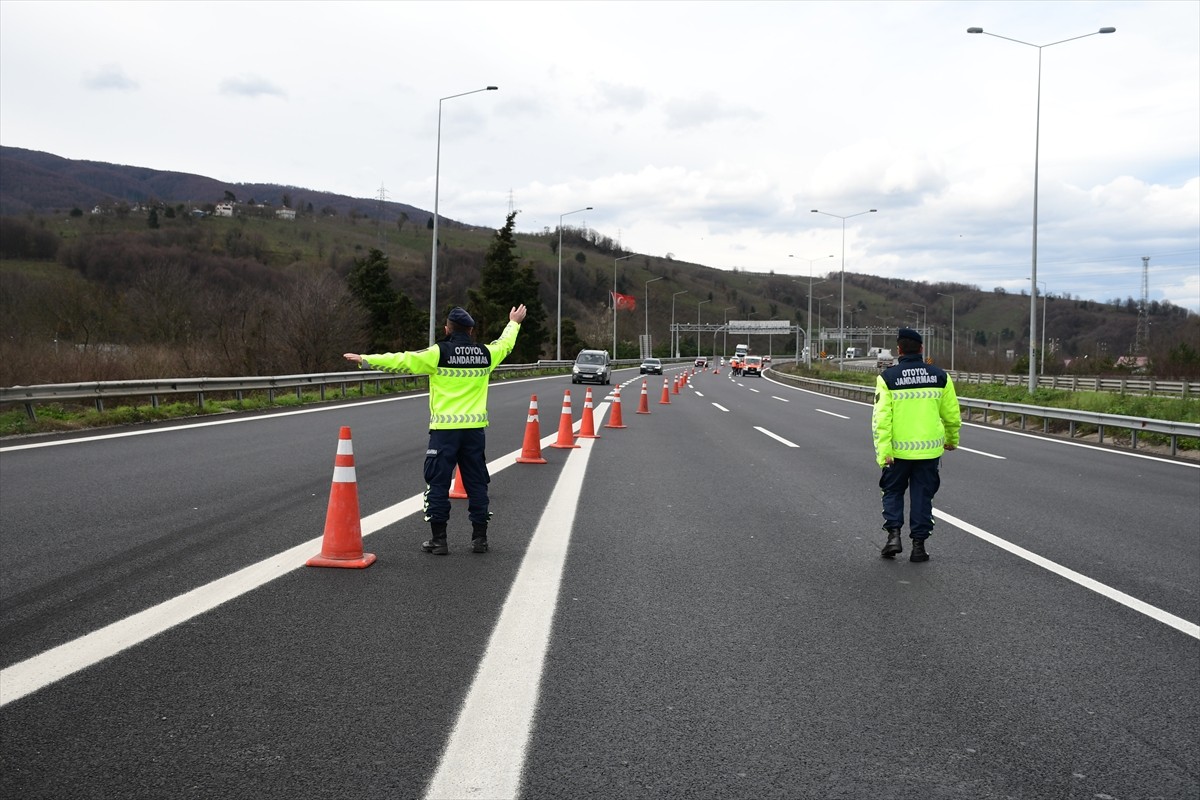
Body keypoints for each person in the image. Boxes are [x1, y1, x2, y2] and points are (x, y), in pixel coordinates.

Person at [343, 304, 527, 555]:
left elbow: (403, 360)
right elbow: (504, 345)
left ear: (447, 329)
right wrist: (514, 322)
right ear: (471, 331)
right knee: (477, 483)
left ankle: (439, 540)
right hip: (474, 431)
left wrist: (366, 359)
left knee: (438, 483)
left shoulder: (438, 352)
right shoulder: (485, 354)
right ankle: (480, 539)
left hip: (445, 431)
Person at [871, 328, 961, 562]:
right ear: (921, 348)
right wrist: (952, 439)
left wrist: (884, 452)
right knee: (923, 497)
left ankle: (893, 537)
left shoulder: (888, 378)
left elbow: (881, 419)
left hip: (897, 453)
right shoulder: (940, 376)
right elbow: (952, 414)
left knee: (892, 492)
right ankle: (919, 547)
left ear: (898, 350)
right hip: (929, 452)